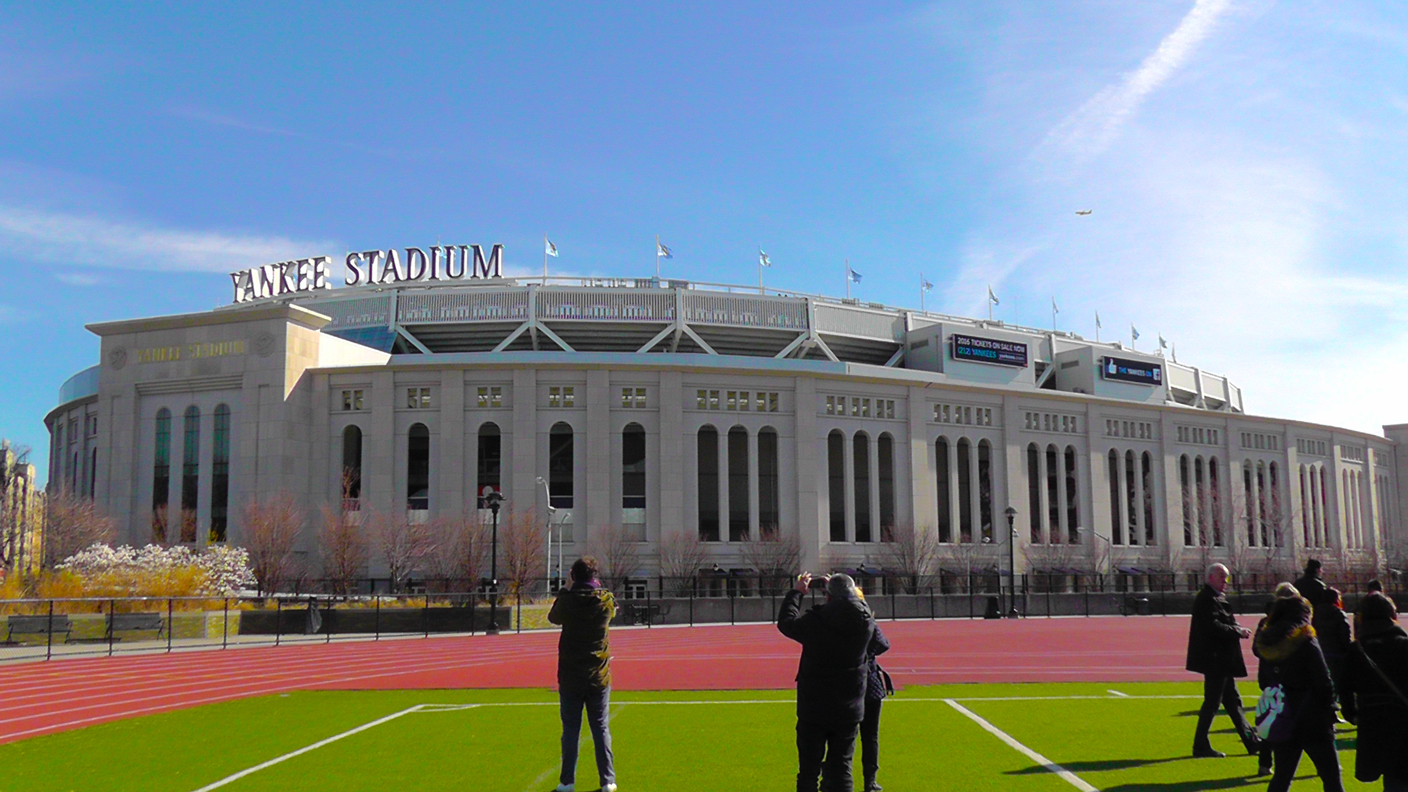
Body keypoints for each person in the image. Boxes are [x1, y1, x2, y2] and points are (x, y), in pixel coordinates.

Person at [778, 572, 877, 792]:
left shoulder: (816, 621)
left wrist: (797, 592)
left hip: (814, 705)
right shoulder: (865, 621)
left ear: (828, 596)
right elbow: (868, 619)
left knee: (808, 771)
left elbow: (786, 623)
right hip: (849, 706)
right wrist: (844, 590)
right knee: (842, 768)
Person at [1255, 588, 1345, 792]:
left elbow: (1264, 679)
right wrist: (1330, 709)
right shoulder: (1305, 640)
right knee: (1331, 777)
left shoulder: (1269, 641)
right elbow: (1323, 680)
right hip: (1313, 717)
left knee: (1282, 777)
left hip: (1283, 714)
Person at [548, 557, 618, 792]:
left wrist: (567, 587)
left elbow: (553, 617)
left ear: (574, 576)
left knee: (570, 730)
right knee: (601, 728)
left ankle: (567, 781)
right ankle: (608, 780)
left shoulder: (567, 602)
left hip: (570, 676)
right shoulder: (605, 601)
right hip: (598, 674)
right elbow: (612, 608)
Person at [1186, 563, 1259, 758]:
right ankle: (1201, 745)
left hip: (1220, 660)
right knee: (1214, 703)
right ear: (1210, 577)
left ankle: (1251, 743)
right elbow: (1213, 626)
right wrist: (1237, 631)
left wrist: (1235, 628)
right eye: (1222, 577)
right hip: (1216, 659)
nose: (1225, 582)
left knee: (1231, 702)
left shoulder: (1211, 598)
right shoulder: (1207, 599)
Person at [1341, 593, 1408, 791]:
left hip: (1371, 720)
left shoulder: (1357, 648)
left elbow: (1344, 687)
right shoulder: (1403, 644)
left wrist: (1351, 714)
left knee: (1387, 773)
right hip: (1402, 717)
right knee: (1400, 776)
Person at [857, 598, 892, 792]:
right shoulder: (865, 622)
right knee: (870, 736)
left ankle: (830, 778)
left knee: (838, 736)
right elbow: (883, 644)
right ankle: (870, 781)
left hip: (844, 687)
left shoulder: (833, 621)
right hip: (868, 685)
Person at [1314, 587, 1352, 710]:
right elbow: (1345, 636)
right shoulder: (1339, 614)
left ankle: (1327, 712)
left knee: (1324, 685)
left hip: (1320, 653)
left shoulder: (1316, 614)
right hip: (1337, 654)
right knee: (1340, 685)